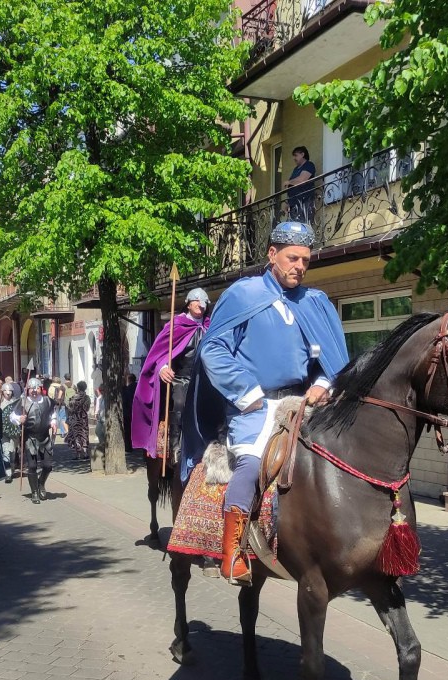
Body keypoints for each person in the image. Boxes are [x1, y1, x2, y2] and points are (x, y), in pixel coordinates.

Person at [184, 220, 348, 583]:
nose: (300, 267)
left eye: (306, 260)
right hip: (254, 405)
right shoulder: (244, 294)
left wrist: (323, 382)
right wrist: (249, 394)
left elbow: (336, 360)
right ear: (272, 254)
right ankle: (232, 553)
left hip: (302, 402)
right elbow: (214, 349)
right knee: (252, 463)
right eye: (293, 258)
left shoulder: (315, 302)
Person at [131, 287, 211, 460]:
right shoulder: (176, 325)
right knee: (181, 403)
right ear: (188, 304)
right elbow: (158, 354)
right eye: (196, 301)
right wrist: (163, 368)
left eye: (203, 302)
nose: (200, 305)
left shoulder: (210, 327)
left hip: (205, 379)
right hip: (181, 378)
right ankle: (175, 447)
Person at [12, 377, 56, 503]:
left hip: (44, 438)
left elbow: (52, 413)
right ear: (28, 389)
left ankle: (41, 484)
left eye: (37, 388)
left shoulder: (47, 401)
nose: (34, 391)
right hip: (29, 438)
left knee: (47, 466)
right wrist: (19, 419)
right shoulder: (23, 401)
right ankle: (34, 492)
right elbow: (12, 416)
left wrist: (53, 422)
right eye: (32, 388)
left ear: (40, 389)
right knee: (32, 466)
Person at [0, 381, 22, 481]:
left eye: (10, 391)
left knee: (12, 451)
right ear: (2, 392)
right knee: (6, 451)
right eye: (5, 391)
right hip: (4, 432)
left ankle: (11, 469)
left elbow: (19, 415)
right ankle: (8, 473)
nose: (8, 393)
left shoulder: (16, 403)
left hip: (14, 432)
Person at [65, 381, 91, 459]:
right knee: (84, 434)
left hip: (75, 418)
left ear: (78, 388)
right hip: (83, 418)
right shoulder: (87, 398)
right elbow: (87, 408)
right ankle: (86, 453)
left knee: (76, 435)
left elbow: (70, 409)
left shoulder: (74, 397)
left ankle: (78, 454)